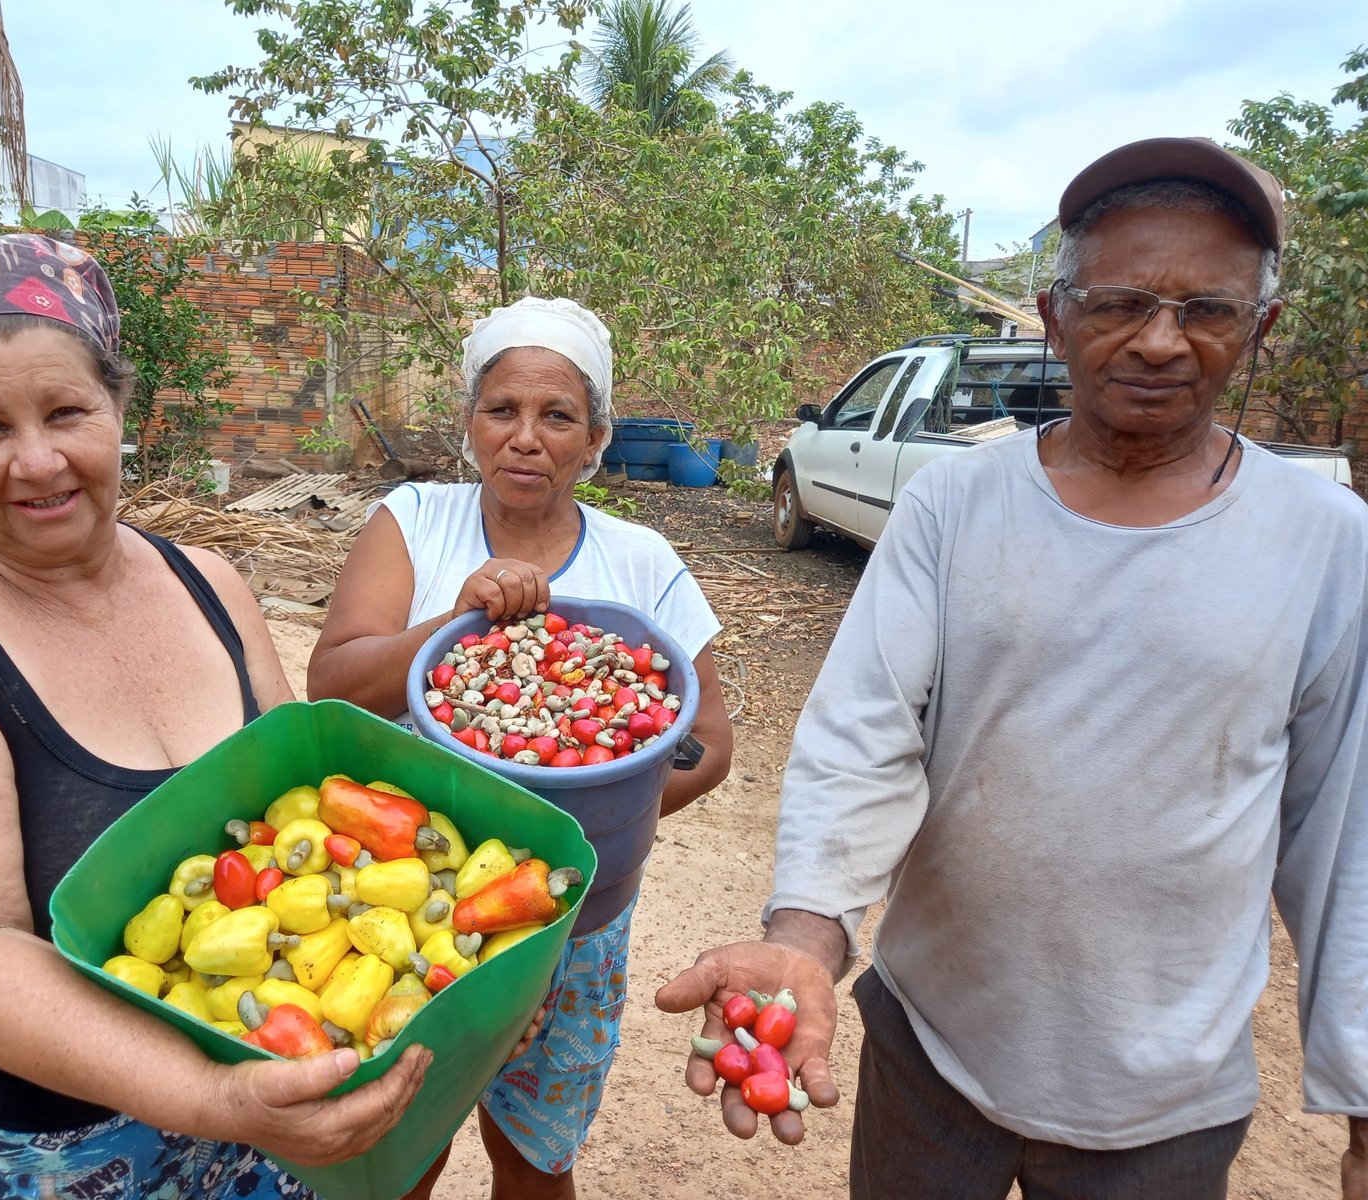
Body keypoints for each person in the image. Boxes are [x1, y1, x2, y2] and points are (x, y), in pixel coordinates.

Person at [657, 137, 1368, 1200]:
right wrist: (807, 935)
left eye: (1207, 311)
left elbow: (1341, 831)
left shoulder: (1323, 536)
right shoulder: (955, 505)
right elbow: (865, 734)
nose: (1160, 342)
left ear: (1256, 330)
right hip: (932, 1043)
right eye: (1120, 301)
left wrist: (1360, 1097)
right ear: (1054, 316)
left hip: (1164, 1090)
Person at [0, 232, 429, 1200]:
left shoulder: (210, 585)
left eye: (67, 411)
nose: (39, 461)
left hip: (248, 1119)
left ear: (118, 403)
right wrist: (205, 1095)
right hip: (30, 1157)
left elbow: (298, 820)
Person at [308, 295, 734, 1197]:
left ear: (598, 437)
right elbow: (335, 682)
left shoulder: (643, 560)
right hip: (410, 899)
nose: (526, 437)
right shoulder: (414, 519)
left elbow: (706, 742)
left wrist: (593, 823)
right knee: (399, 1147)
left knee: (537, 1154)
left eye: (558, 416)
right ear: (469, 424)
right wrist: (458, 619)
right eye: (501, 410)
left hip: (571, 916)